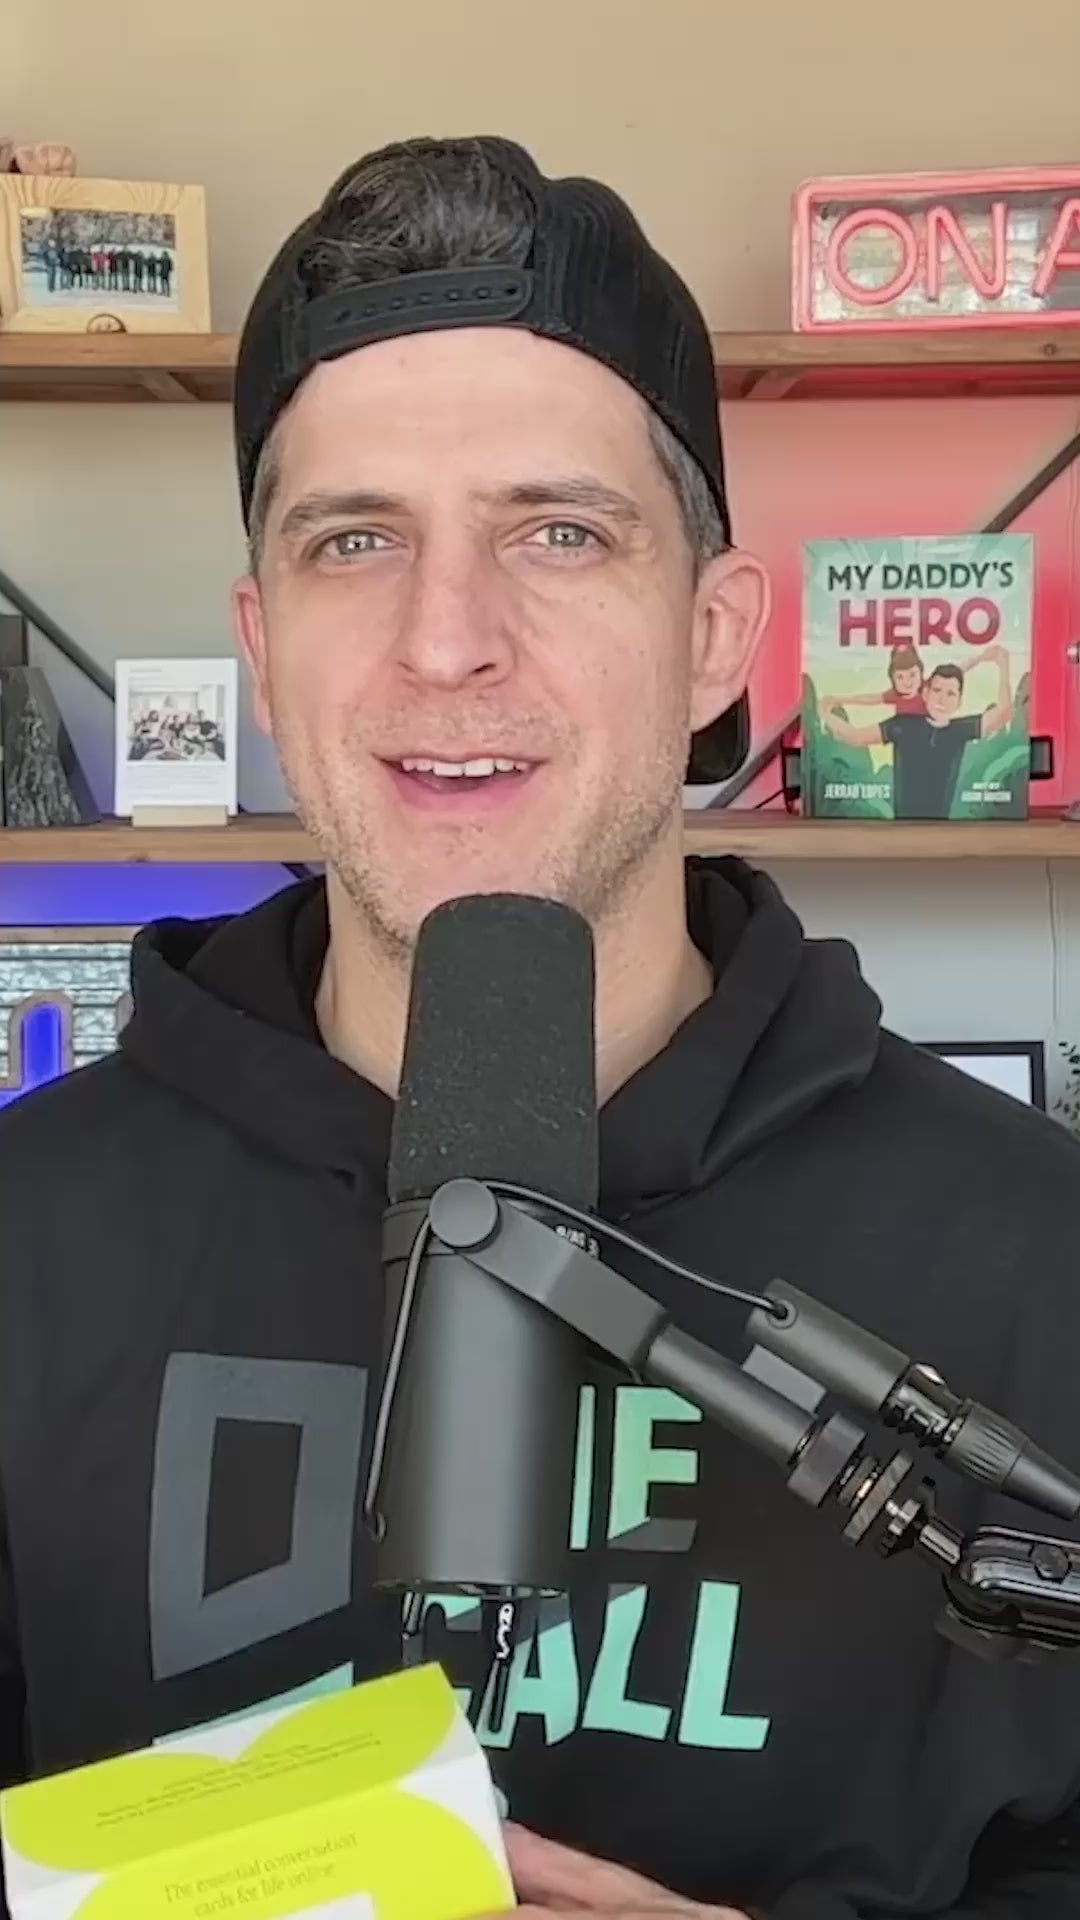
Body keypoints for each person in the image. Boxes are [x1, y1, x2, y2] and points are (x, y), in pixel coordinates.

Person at [1, 135, 1079, 1920]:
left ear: (716, 636)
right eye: (357, 540)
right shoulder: (28, 1240)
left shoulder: (1040, 1255)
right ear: (263, 645)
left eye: (559, 533)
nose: (447, 642)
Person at [822, 646, 1013, 818]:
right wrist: (826, 713)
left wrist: (1002, 665)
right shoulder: (901, 726)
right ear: (926, 693)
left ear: (959, 702)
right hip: (904, 827)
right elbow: (855, 736)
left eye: (951, 694)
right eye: (937, 691)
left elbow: (1003, 713)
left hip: (943, 828)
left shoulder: (960, 729)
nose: (942, 699)